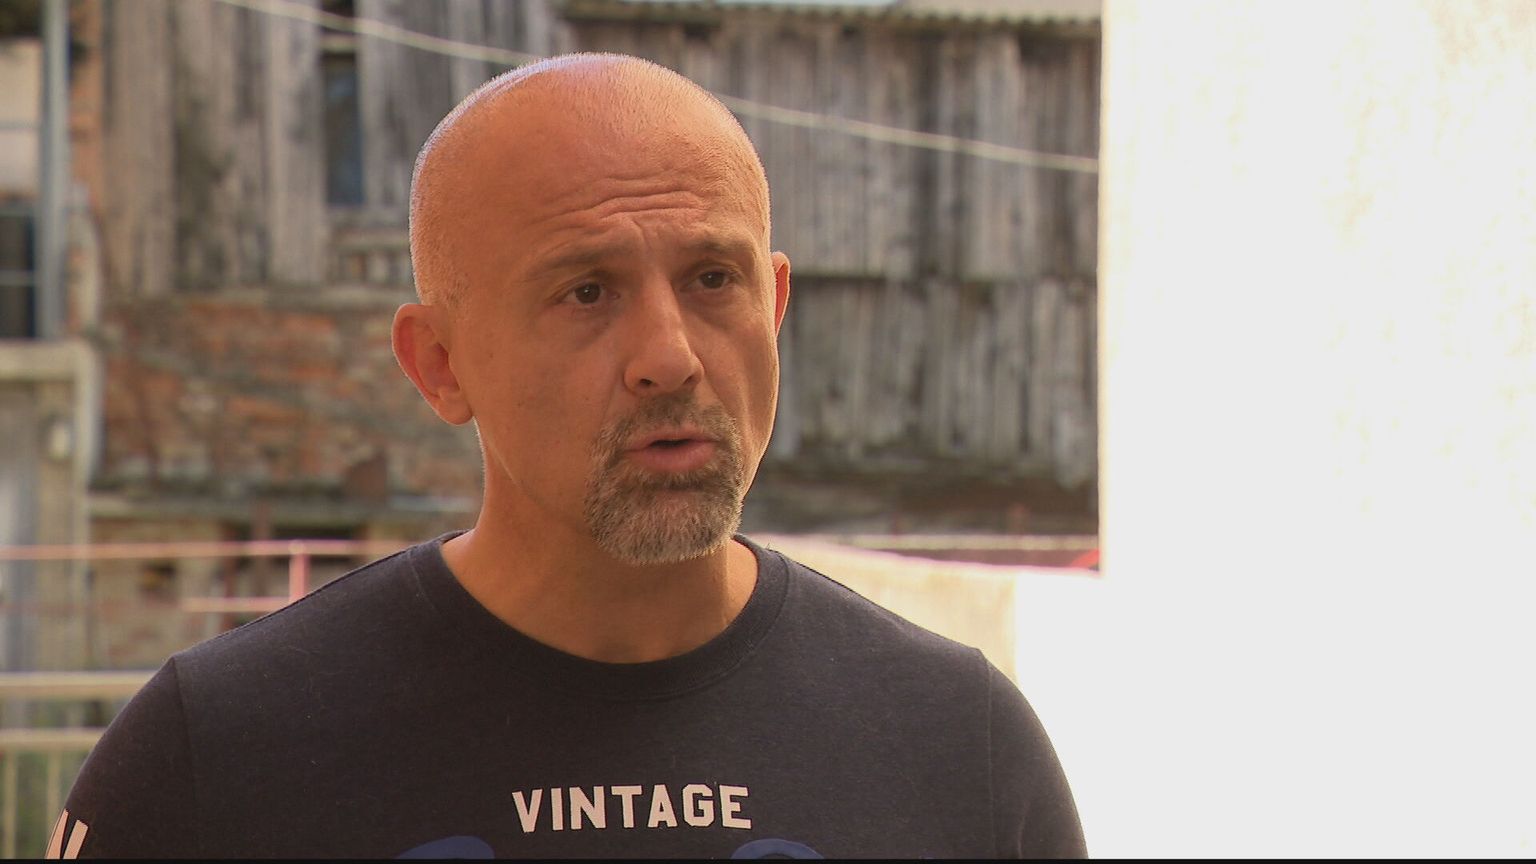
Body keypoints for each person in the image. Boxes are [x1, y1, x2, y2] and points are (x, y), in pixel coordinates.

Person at [55, 53, 1085, 859]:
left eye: (712, 279)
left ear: (774, 305)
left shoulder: (962, 747)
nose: (669, 357)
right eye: (586, 291)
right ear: (438, 364)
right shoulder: (214, 762)